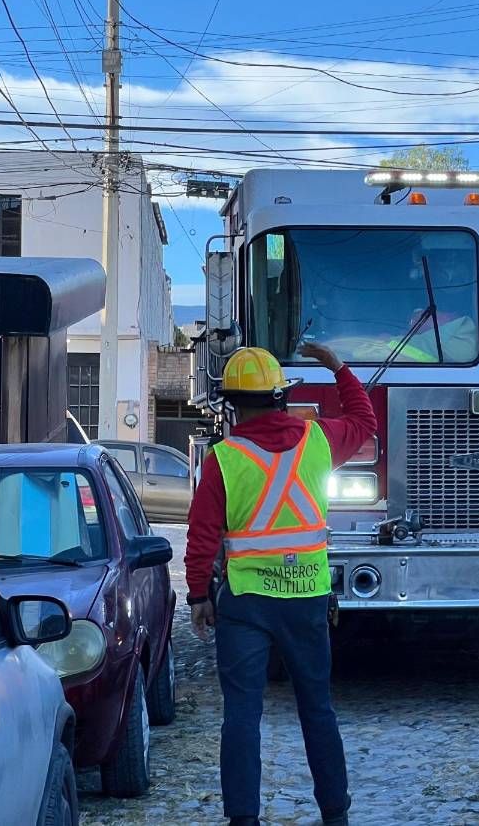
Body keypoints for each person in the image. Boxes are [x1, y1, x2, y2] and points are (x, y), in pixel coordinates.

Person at [186, 342, 377, 826]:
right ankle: (335, 814)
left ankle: (243, 820)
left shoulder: (223, 458)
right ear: (280, 397)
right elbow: (364, 419)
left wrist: (197, 596)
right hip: (306, 600)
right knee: (317, 710)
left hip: (246, 606)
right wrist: (337, 366)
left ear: (231, 404)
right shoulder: (318, 440)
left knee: (242, 718)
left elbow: (202, 533)